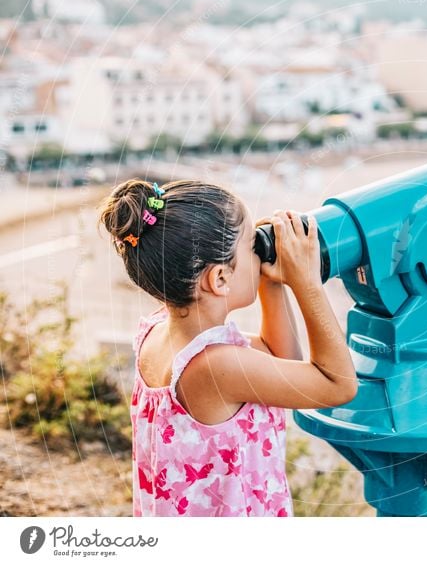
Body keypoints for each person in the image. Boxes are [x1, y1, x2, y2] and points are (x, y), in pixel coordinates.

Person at [98, 179, 358, 517]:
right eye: (253, 246)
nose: (260, 253)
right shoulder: (214, 366)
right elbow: (337, 384)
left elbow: (280, 360)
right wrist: (306, 282)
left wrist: (272, 284)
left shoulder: (162, 334)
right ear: (219, 278)